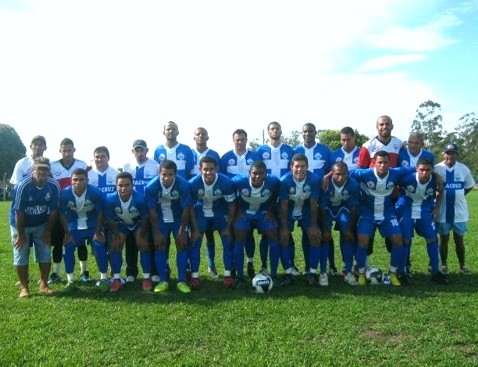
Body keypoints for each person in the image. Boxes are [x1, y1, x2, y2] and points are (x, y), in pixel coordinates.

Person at [348, 150, 414, 286]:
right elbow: (345, 173)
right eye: (379, 162)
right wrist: (327, 176)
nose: (382, 165)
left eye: (385, 162)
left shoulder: (396, 173)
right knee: (362, 241)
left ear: (389, 163)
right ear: (374, 163)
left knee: (398, 240)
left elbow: (415, 168)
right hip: (367, 213)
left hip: (387, 213)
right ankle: (360, 274)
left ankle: (393, 274)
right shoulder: (365, 173)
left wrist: (435, 175)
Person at [10, 157, 59, 298]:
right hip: (20, 224)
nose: (42, 171)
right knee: (21, 253)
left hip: (41, 224)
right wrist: (20, 235)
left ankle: (44, 284)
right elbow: (18, 212)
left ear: (49, 171)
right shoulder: (23, 185)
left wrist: (48, 231)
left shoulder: (53, 186)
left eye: (45, 169)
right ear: (33, 169)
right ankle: (24, 288)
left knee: (44, 251)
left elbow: (54, 210)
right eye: (39, 168)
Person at [231, 160, 286, 288]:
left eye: (261, 174)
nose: (258, 176)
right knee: (239, 238)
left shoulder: (273, 181)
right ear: (249, 172)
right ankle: (240, 277)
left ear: (266, 174)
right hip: (244, 213)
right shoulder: (238, 181)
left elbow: (276, 194)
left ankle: (273, 275)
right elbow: (230, 194)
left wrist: (271, 210)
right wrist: (237, 211)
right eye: (255, 173)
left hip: (263, 213)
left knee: (273, 235)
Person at [357, 115, 403, 266]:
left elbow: (404, 168)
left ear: (392, 126)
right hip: (370, 199)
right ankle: (365, 266)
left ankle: (399, 268)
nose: (384, 127)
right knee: (366, 236)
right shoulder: (367, 146)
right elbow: (361, 171)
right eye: (381, 124)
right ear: (377, 127)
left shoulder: (399, 144)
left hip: (392, 197)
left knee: (395, 235)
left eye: (387, 124)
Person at [395, 158, 448, 284]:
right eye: (422, 170)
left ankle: (435, 271)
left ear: (432, 170)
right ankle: (401, 272)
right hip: (406, 210)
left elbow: (440, 192)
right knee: (405, 240)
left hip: (425, 211)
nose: (424, 173)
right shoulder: (406, 179)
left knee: (432, 238)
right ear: (416, 169)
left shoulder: (436, 180)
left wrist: (437, 208)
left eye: (428, 170)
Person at [145, 159, 193, 294]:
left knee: (182, 245)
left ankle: (182, 280)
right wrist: (156, 231)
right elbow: (152, 210)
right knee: (159, 246)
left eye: (170, 174)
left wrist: (182, 230)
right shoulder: (151, 186)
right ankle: (163, 280)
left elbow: (186, 209)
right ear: (159, 173)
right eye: (164, 174)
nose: (167, 178)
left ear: (175, 174)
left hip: (178, 219)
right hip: (160, 220)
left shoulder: (183, 185)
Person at [256, 121, 298, 276]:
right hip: (266, 196)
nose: (275, 131)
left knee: (287, 231)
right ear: (268, 132)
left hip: (286, 196)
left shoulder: (289, 149)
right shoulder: (260, 150)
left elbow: (293, 169)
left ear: (281, 131)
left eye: (277, 128)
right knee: (266, 234)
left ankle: (291, 265)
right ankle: (264, 265)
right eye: (272, 128)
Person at [189, 156, 236, 288]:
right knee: (195, 242)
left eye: (211, 169)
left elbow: (232, 205)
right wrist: (195, 228)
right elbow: (189, 207)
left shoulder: (226, 182)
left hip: (219, 214)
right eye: (205, 169)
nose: (208, 172)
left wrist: (228, 227)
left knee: (227, 241)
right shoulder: (193, 183)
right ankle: (195, 276)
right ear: (200, 169)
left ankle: (227, 275)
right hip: (201, 213)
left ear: (217, 169)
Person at [60, 168, 110, 292]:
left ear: (87, 180)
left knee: (100, 247)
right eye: (75, 180)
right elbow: (62, 215)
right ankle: (70, 280)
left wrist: (98, 232)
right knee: (68, 248)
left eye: (81, 179)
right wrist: (67, 233)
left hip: (93, 226)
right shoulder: (64, 194)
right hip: (74, 227)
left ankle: (103, 279)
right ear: (71, 181)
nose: (78, 182)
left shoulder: (95, 193)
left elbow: (100, 213)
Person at [48, 138, 90, 285]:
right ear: (60, 151)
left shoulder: (82, 164)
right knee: (59, 242)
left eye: (69, 150)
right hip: (59, 210)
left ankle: (84, 272)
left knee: (79, 243)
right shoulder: (53, 166)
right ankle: (55, 273)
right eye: (64, 150)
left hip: (77, 211)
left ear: (74, 150)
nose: (67, 153)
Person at [220, 129, 259, 277]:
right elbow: (222, 181)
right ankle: (235, 265)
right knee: (234, 235)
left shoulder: (255, 157)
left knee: (248, 234)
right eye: (237, 139)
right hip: (231, 204)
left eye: (243, 139)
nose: (240, 142)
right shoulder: (225, 158)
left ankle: (250, 262)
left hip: (250, 202)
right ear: (233, 140)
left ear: (246, 140)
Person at [105, 172, 153, 292]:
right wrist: (116, 235)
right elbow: (110, 220)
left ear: (132, 185)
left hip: (137, 225)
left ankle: (147, 278)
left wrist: (141, 235)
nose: (123, 188)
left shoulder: (140, 199)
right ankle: (116, 279)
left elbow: (145, 219)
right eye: (120, 185)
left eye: (127, 185)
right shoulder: (110, 199)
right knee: (115, 246)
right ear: (116, 186)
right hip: (121, 225)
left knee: (143, 245)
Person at [293, 123, 331, 274]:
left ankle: (328, 266)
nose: (308, 134)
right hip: (299, 198)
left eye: (311, 131)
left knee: (323, 231)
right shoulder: (295, 150)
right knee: (306, 230)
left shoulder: (324, 150)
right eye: (305, 131)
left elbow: (331, 170)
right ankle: (309, 265)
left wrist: (326, 177)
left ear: (316, 133)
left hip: (320, 196)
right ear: (302, 133)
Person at [278, 154, 321, 285]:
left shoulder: (314, 179)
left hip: (306, 209)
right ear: (291, 167)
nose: (299, 169)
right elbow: (283, 206)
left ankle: (312, 272)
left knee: (314, 237)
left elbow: (314, 204)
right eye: (296, 166)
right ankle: (288, 273)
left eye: (303, 166)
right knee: (284, 238)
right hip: (289, 210)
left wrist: (314, 226)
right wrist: (284, 228)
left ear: (307, 167)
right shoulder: (284, 181)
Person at [434, 143, 475, 274]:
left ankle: (462, 266)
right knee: (444, 239)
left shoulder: (463, 169)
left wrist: (458, 195)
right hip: (443, 212)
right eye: (448, 153)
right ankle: (444, 266)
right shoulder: (436, 169)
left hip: (459, 212)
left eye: (453, 153)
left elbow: (468, 186)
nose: (450, 156)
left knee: (459, 240)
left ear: (456, 154)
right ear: (443, 154)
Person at [123, 139, 160, 284]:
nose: (139, 153)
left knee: (149, 240)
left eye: (142, 150)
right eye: (136, 150)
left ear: (147, 150)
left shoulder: (155, 166)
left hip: (149, 209)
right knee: (131, 241)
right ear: (133, 152)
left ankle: (153, 272)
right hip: (132, 210)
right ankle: (131, 272)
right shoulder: (127, 167)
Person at [397, 132, 435, 274]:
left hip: (424, 201)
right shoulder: (401, 154)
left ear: (422, 144)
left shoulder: (429, 156)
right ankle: (405, 265)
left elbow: (433, 173)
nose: (413, 145)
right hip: (404, 197)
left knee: (431, 236)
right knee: (406, 236)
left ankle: (434, 268)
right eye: (410, 142)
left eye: (416, 143)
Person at [320, 161, 360, 286]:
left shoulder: (353, 184)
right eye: (337, 174)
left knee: (347, 236)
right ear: (332, 174)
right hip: (327, 210)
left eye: (343, 174)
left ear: (348, 174)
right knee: (325, 237)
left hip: (343, 209)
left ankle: (347, 271)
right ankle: (324, 272)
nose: (340, 177)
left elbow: (353, 208)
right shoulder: (325, 183)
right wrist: (325, 228)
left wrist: (349, 228)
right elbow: (321, 208)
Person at [328, 126, 360, 275]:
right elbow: (331, 173)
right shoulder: (334, 154)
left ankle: (356, 263)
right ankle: (333, 266)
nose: (345, 142)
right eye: (343, 139)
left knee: (351, 231)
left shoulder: (362, 153)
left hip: (354, 198)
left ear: (354, 138)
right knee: (329, 232)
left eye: (348, 139)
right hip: (333, 200)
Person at [191, 127, 222, 279]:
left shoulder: (214, 154)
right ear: (194, 137)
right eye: (198, 134)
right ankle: (191, 267)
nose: (201, 136)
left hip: (214, 201)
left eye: (203, 134)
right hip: (197, 202)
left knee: (210, 235)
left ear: (208, 137)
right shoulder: (189, 153)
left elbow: (219, 176)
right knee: (195, 235)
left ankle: (211, 264)